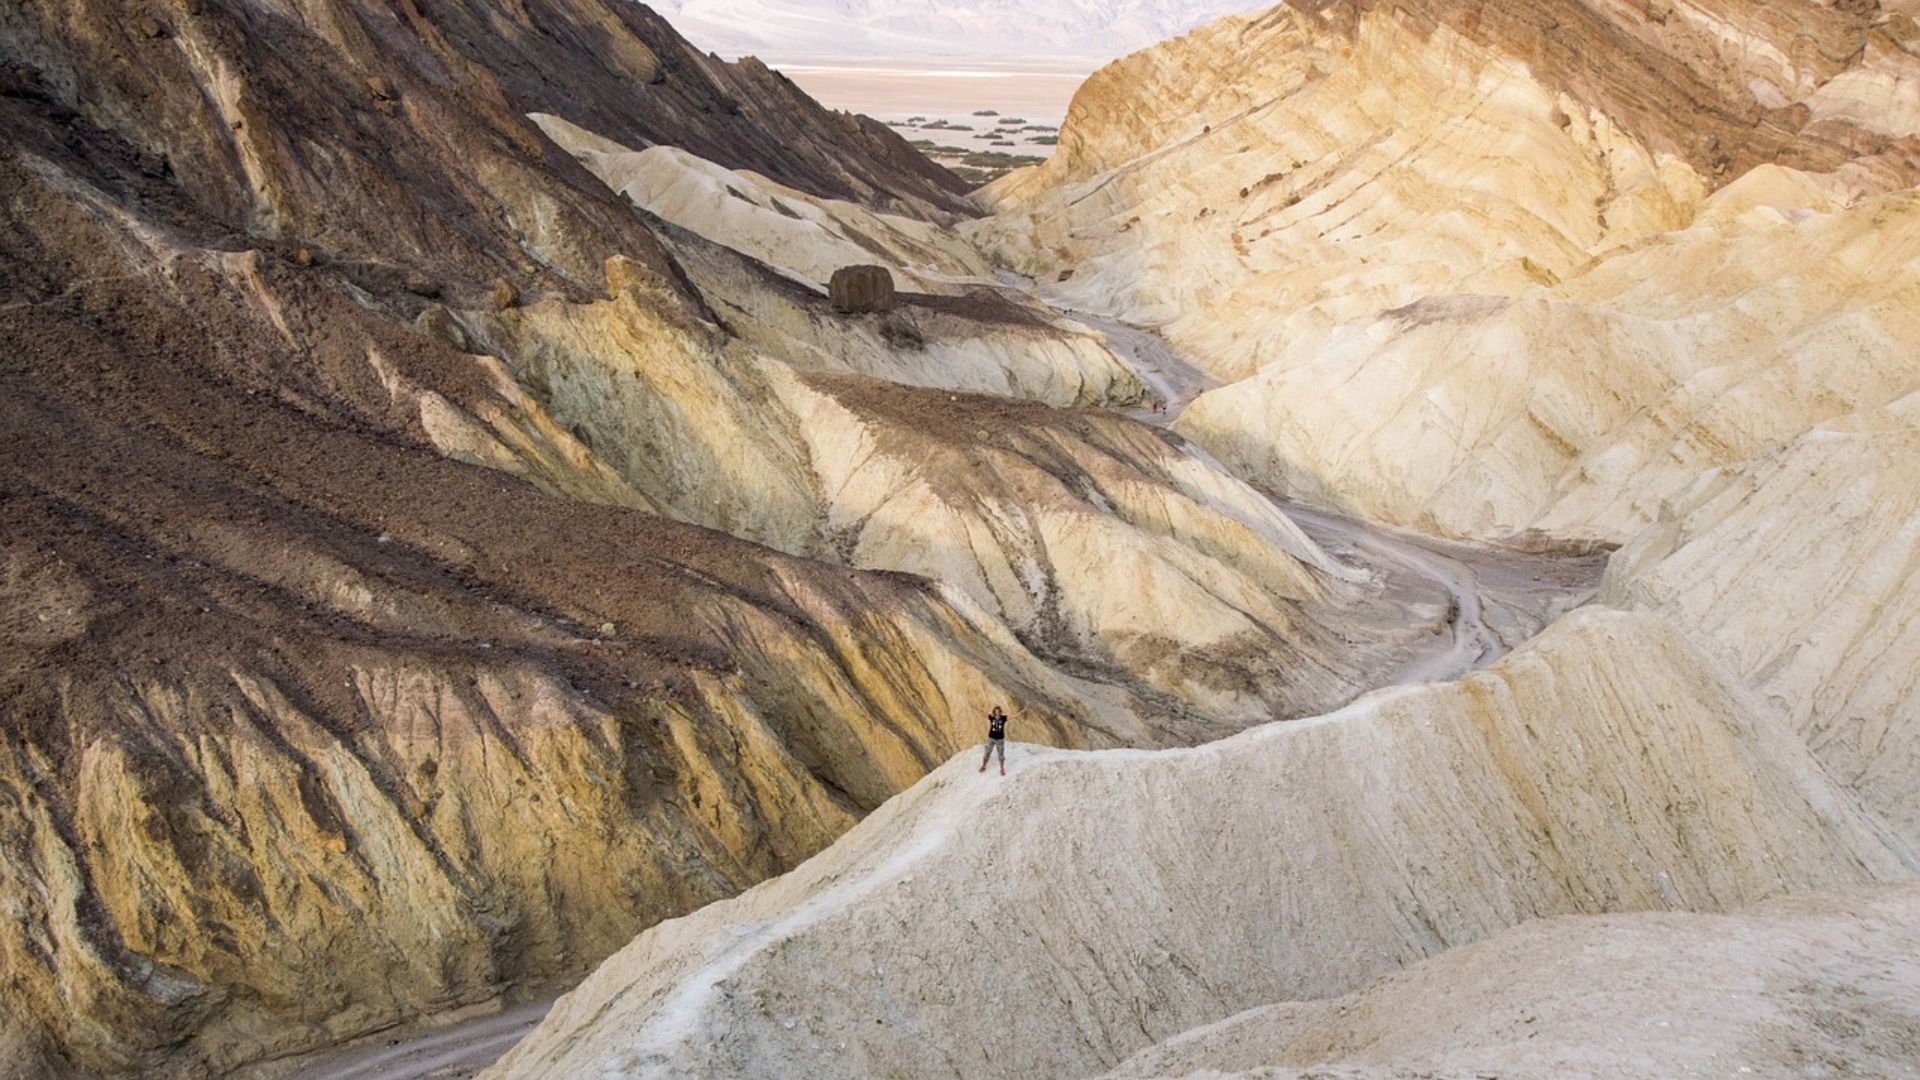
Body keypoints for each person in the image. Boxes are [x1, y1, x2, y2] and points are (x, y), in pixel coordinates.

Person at [978, 705, 1013, 775]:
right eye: (996, 711)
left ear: (1000, 712)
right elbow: (982, 712)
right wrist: (975, 707)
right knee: (987, 753)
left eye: (998, 711)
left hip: (1000, 740)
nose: (997, 712)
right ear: (994, 712)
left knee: (1001, 755)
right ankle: (983, 766)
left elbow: (1013, 716)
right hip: (991, 739)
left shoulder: (1003, 718)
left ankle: (1002, 769)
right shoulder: (992, 717)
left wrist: (1022, 711)